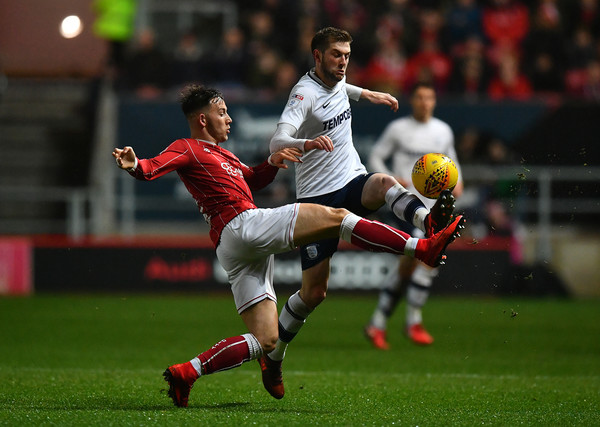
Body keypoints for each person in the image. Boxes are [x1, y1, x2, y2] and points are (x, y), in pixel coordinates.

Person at [112, 84, 465, 407]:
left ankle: (186, 372)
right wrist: (136, 165)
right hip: (242, 226)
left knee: (266, 342)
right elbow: (153, 166)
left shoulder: (225, 157)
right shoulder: (186, 147)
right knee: (338, 217)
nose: (229, 118)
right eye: (222, 113)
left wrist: (273, 162)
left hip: (237, 247)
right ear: (203, 119)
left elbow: (252, 179)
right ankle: (422, 248)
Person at [265, 27, 458, 399]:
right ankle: (274, 358)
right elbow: (277, 138)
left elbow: (340, 90)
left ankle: (428, 222)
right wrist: (303, 142)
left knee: (384, 182)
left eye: (347, 55)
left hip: (352, 180)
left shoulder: (338, 81)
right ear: (317, 55)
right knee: (314, 294)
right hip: (317, 200)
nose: (343, 61)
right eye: (336, 54)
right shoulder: (303, 94)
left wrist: (366, 93)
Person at [364, 82, 465, 349]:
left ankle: (379, 324)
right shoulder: (399, 129)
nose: (425, 102)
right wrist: (389, 178)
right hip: (405, 205)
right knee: (423, 259)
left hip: (432, 208)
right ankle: (410, 322)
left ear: (434, 101)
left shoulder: (442, 131)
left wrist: (459, 182)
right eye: (420, 97)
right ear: (412, 100)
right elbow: (375, 156)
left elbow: (451, 162)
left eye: (429, 97)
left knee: (414, 265)